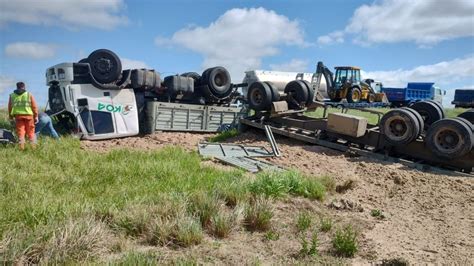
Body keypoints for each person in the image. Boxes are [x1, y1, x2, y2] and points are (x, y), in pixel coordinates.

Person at [8, 82, 38, 150]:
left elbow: (10, 107)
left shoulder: (12, 95)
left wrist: (11, 117)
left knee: (21, 133)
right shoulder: (29, 95)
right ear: (24, 87)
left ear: (17, 87)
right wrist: (36, 116)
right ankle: (33, 149)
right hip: (29, 117)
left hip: (18, 117)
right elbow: (34, 107)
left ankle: (21, 148)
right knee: (31, 133)